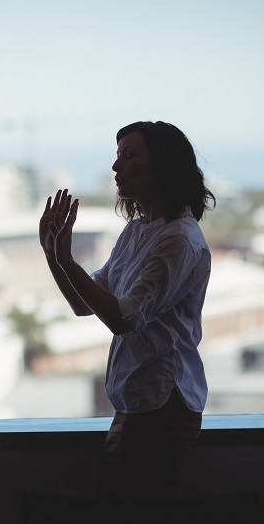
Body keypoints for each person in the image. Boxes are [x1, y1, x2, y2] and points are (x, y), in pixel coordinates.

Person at [39, 120, 214, 499]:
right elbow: (84, 306)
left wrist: (66, 260)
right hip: (141, 402)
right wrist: (53, 256)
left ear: (162, 164)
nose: (116, 167)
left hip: (163, 401)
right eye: (117, 157)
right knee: (133, 522)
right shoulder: (137, 231)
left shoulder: (179, 239)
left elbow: (124, 318)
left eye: (129, 156)